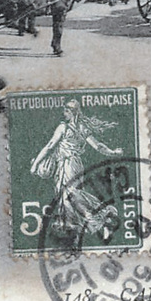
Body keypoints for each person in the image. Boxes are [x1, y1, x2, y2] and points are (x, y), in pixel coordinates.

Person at [29, 100, 122, 236]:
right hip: (76, 165)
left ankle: (101, 216)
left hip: (67, 164)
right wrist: (112, 152)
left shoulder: (63, 127)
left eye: (66, 111)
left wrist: (35, 164)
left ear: (71, 112)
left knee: (71, 194)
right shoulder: (83, 128)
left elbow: (49, 146)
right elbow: (98, 146)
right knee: (68, 196)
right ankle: (73, 224)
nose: (64, 113)